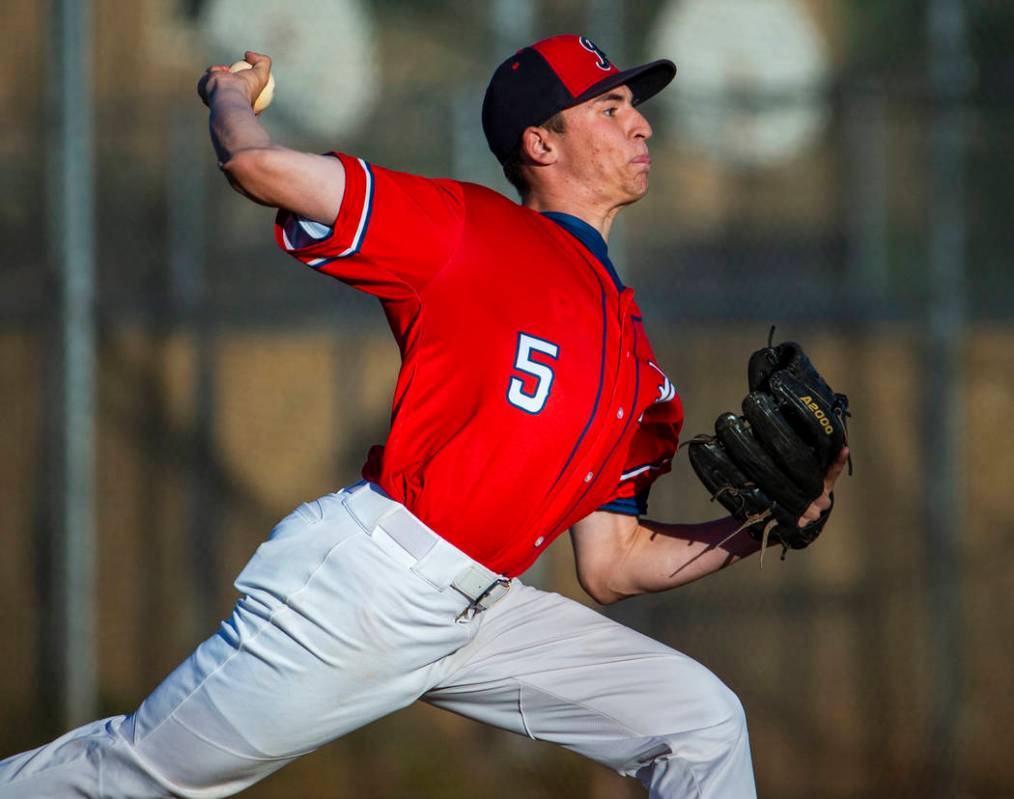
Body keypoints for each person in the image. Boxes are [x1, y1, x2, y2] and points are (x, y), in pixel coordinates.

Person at [0, 34, 847, 798]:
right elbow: (257, 168)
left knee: (701, 722)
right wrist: (225, 89)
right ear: (540, 143)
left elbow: (614, 564)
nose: (642, 126)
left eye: (635, 107)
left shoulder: (638, 365)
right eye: (611, 105)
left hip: (484, 615)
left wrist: (763, 523)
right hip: (372, 586)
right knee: (130, 777)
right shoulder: (464, 230)